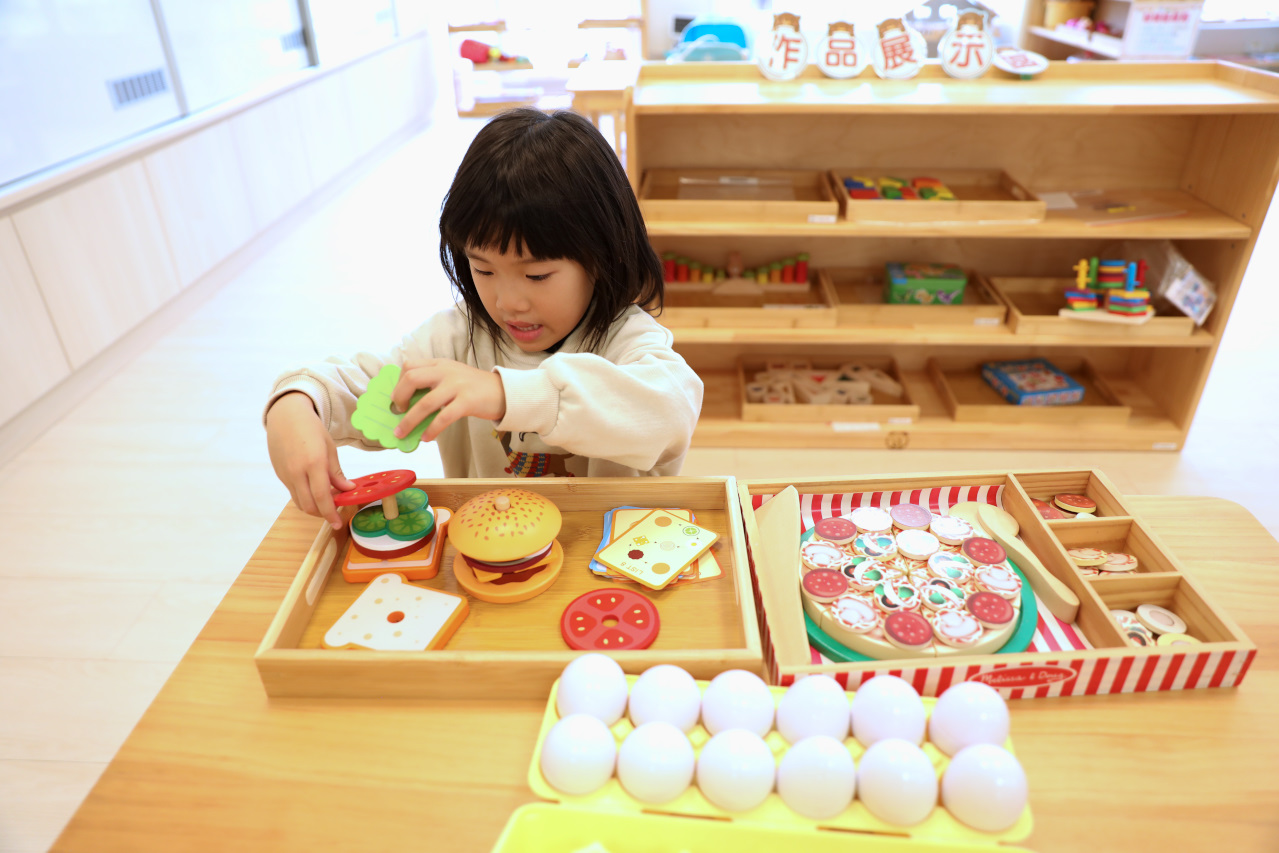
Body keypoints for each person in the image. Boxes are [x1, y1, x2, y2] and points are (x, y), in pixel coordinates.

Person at [264, 108, 703, 530]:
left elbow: (670, 413)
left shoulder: (626, 339)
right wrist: (297, 403)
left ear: (601, 256)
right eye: (484, 269)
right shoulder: (456, 339)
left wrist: (501, 393)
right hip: (488, 554)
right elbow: (365, 389)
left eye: (536, 274)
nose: (508, 301)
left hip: (611, 558)